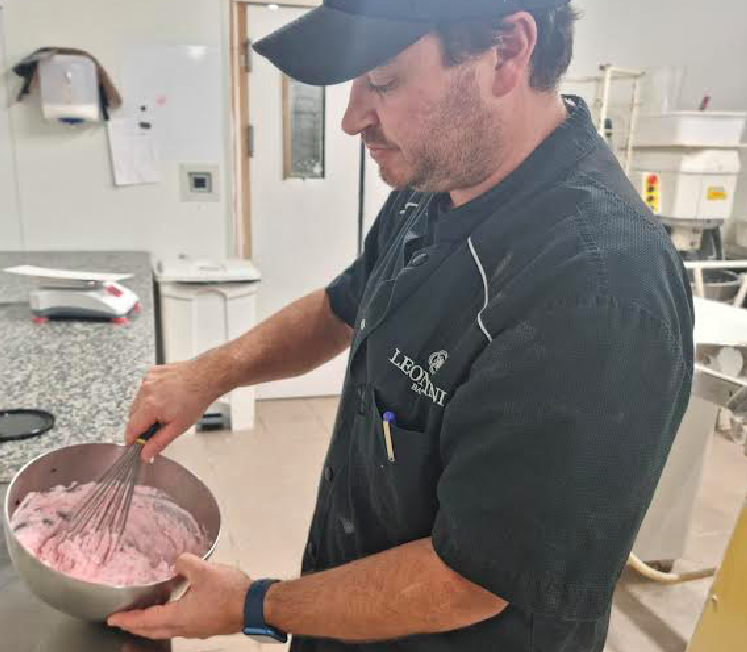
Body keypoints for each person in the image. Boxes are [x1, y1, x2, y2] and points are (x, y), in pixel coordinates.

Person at [108, 1, 694, 650]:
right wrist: (209, 373)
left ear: (506, 52)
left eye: (382, 80)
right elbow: (342, 305)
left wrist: (253, 605)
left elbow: (466, 579)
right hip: (345, 612)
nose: (352, 116)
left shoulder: (596, 292)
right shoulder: (437, 185)